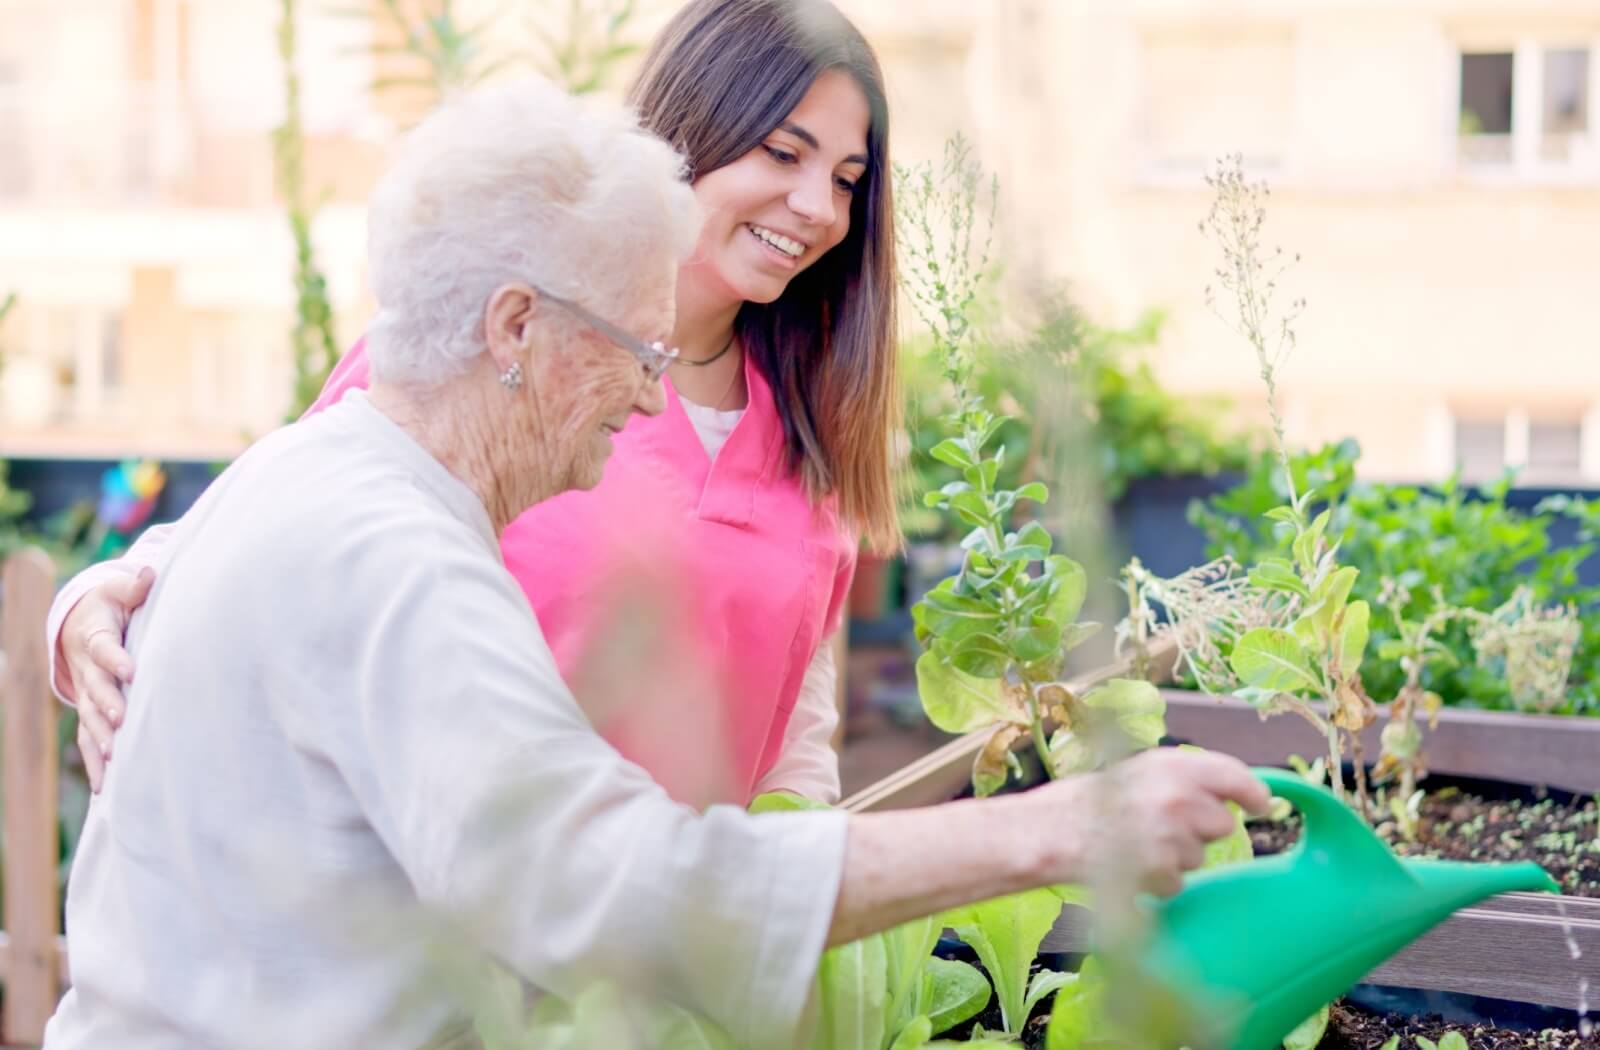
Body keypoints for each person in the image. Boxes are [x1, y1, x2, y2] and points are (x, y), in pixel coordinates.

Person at [43, 77, 1269, 1050]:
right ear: (514, 327)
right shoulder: (399, 559)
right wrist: (1054, 833)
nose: (649, 394)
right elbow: (605, 883)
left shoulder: (323, 484)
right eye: (632, 347)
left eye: (845, 178)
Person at [51, 0, 902, 807]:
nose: (818, 208)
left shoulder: (810, 423)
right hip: (448, 931)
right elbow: (286, 528)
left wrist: (790, 850)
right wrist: (95, 599)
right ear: (694, 127)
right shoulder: (502, 340)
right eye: (785, 155)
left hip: (679, 938)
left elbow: (795, 706)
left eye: (847, 179)